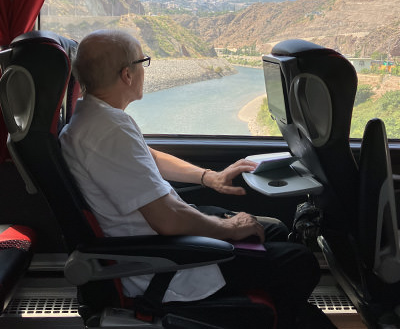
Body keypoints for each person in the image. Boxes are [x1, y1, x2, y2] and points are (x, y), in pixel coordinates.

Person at [60, 29, 337, 329]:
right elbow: (167, 220)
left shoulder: (92, 119)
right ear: (127, 74)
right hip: (165, 265)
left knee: (274, 233)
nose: (144, 70)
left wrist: (209, 177)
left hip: (158, 245)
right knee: (299, 263)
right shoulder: (109, 131)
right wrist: (228, 228)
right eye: (143, 62)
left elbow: (148, 157)